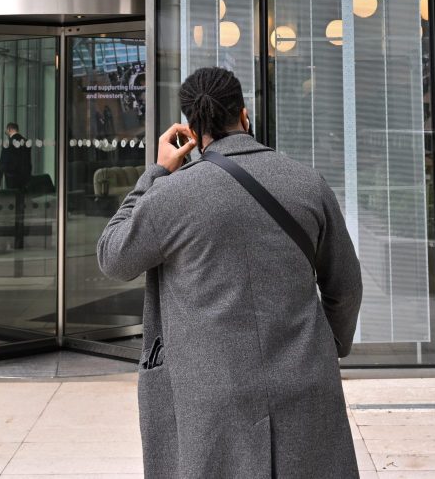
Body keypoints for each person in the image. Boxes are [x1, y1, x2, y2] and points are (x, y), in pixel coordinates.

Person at [98, 67, 363, 479]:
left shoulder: (173, 195)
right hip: (306, 379)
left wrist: (154, 174)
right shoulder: (308, 183)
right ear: (243, 115)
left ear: (190, 129)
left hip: (214, 394)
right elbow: (345, 287)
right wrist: (330, 347)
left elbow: (113, 256)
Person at [0, 122, 32, 248]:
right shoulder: (25, 142)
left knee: (11, 208)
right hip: (23, 180)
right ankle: (20, 238)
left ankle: (12, 237)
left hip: (11, 179)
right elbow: (28, 164)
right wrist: (27, 179)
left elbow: (3, 162)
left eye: (7, 130)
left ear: (10, 129)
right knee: (21, 209)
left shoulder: (8, 143)